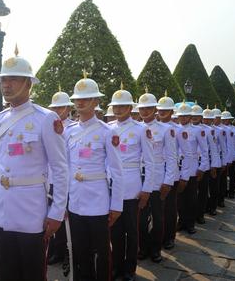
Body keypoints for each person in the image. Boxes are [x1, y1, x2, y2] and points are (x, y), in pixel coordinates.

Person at [0, 49, 68, 281]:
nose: (6, 85)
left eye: (13, 79)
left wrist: (57, 212)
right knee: (6, 273)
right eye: (3, 80)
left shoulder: (45, 118)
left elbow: (60, 168)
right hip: (2, 210)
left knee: (32, 273)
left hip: (32, 212)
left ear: (28, 84)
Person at [65, 72, 123, 280]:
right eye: (77, 99)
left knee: (102, 251)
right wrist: (63, 202)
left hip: (98, 201)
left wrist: (116, 205)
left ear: (96, 101)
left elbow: (117, 171)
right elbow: (64, 168)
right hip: (75, 200)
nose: (80, 103)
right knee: (80, 251)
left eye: (85, 99)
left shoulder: (107, 132)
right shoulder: (69, 131)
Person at [108, 84, 154, 281]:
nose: (118, 110)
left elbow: (151, 162)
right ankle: (116, 266)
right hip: (111, 186)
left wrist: (147, 190)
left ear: (130, 108)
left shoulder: (141, 129)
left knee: (131, 230)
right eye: (115, 107)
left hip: (132, 186)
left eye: (122, 106)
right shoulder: (107, 129)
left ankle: (130, 268)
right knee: (115, 231)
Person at [136, 90, 177, 263]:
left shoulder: (166, 129)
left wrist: (168, 181)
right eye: (142, 109)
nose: (144, 112)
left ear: (155, 109)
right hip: (139, 178)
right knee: (141, 218)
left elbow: (172, 157)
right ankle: (143, 247)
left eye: (148, 108)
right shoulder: (136, 128)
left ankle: (155, 248)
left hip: (158, 179)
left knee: (158, 218)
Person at [46, 88, 74, 267]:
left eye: (60, 108)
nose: (57, 111)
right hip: (49, 180)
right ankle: (55, 249)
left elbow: (70, 160)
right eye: (54, 108)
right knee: (51, 216)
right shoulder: (47, 125)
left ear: (68, 108)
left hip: (65, 180)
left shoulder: (72, 128)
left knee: (64, 220)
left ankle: (66, 253)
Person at [176, 102, 208, 234]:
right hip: (177, 168)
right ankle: (181, 221)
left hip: (192, 168)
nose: (183, 118)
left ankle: (190, 223)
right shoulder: (174, 129)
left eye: (186, 116)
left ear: (190, 116)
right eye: (181, 116)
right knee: (179, 198)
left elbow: (205, 151)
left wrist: (202, 168)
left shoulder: (197, 131)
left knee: (191, 198)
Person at [156, 92, 181, 250]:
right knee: (157, 209)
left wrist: (169, 179)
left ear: (172, 112)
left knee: (170, 208)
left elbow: (177, 155)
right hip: (156, 171)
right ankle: (158, 236)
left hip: (170, 173)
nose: (162, 112)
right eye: (160, 110)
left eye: (166, 110)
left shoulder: (176, 129)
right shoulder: (151, 127)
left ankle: (169, 237)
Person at [191, 104, 220, 224]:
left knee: (202, 191)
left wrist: (214, 166)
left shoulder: (208, 130)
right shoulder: (183, 128)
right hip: (190, 165)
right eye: (193, 115)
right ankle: (189, 216)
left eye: (198, 116)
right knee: (191, 194)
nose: (195, 118)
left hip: (204, 164)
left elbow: (213, 149)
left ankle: (200, 214)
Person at [202, 107, 224, 216]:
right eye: (204, 118)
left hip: (214, 161)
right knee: (203, 189)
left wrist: (215, 165)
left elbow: (217, 148)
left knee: (214, 187)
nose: (206, 120)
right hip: (203, 163)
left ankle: (212, 207)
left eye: (208, 119)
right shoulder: (200, 130)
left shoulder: (216, 131)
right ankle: (205, 207)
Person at [221, 110, 235, 199]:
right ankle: (224, 191)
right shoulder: (219, 129)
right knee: (223, 177)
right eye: (223, 119)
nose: (225, 121)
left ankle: (232, 191)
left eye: (226, 119)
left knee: (233, 176)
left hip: (233, 156)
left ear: (230, 120)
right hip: (223, 157)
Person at [211, 107, 228, 208]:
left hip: (217, 160)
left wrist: (224, 162)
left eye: (215, 117)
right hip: (207, 162)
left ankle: (216, 203)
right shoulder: (205, 129)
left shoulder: (220, 130)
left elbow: (223, 147)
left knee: (216, 185)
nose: (214, 119)